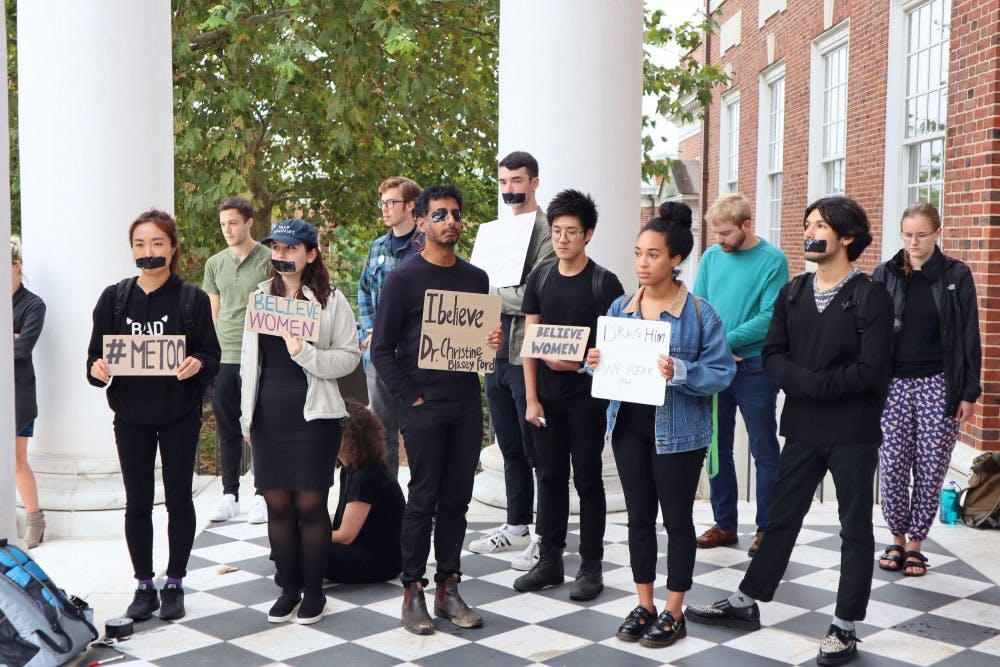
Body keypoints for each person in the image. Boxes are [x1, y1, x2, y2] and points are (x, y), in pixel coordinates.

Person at [685, 196, 893, 667]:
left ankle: (845, 623)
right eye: (807, 224)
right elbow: (773, 352)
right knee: (781, 518)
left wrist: (815, 386)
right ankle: (747, 601)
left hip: (853, 432)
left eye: (819, 225)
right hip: (802, 426)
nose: (809, 232)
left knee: (855, 527)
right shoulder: (794, 291)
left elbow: (873, 369)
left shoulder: (870, 295)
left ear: (847, 237)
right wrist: (806, 385)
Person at [586, 203, 735, 649]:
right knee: (638, 520)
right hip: (629, 426)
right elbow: (609, 370)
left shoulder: (700, 314)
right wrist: (594, 363)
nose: (643, 263)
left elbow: (723, 373)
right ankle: (644, 603)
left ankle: (674, 610)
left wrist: (682, 371)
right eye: (637, 254)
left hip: (680, 433)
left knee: (677, 521)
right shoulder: (619, 307)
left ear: (675, 259)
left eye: (653, 254)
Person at [371, 184, 503, 635]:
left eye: (455, 214)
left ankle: (449, 587)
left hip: (466, 402)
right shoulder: (402, 279)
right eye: (440, 214)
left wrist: (492, 342)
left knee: (457, 502)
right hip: (423, 406)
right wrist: (412, 398)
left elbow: (482, 339)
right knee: (422, 499)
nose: (450, 221)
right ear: (423, 223)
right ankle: (413, 592)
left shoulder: (476, 279)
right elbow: (382, 349)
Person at [87, 210, 221, 622]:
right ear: (132, 250)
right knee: (137, 503)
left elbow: (211, 355)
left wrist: (197, 363)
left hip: (179, 415)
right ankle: (144, 584)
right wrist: (97, 369)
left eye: (157, 243)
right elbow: (94, 356)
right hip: (130, 416)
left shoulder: (191, 299)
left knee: (180, 499)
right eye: (141, 244)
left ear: (173, 247)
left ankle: (176, 581)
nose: (149, 251)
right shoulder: (115, 298)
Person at [240, 219, 360, 625]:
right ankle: (288, 589)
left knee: (310, 505)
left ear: (311, 254)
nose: (282, 256)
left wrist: (306, 353)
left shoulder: (331, 300)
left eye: (291, 249)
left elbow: (349, 357)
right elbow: (246, 363)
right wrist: (245, 417)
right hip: (268, 415)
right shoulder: (260, 296)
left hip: (315, 416)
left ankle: (314, 591)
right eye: (277, 249)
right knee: (277, 504)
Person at [513, 189, 624, 600]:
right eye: (557, 231)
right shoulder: (540, 278)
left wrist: (580, 363)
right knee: (550, 476)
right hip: (546, 396)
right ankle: (550, 559)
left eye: (571, 232)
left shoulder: (604, 283)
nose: (562, 239)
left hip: (587, 399)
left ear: (588, 234)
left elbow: (618, 348)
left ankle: (591, 565)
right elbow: (529, 340)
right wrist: (531, 398)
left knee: (589, 479)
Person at [873, 202, 981, 576]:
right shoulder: (885, 274)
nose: (914, 242)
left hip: (939, 383)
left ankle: (916, 543)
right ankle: (896, 538)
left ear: (937, 233)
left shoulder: (956, 275)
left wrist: (969, 392)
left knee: (931, 466)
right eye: (907, 235)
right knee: (892, 467)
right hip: (893, 386)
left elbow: (969, 336)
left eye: (921, 235)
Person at [469, 151, 556, 571]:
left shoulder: (546, 230)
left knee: (536, 447)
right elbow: (479, 286)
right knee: (508, 446)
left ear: (534, 182)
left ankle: (546, 537)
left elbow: (536, 294)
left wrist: (487, 292)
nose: (510, 189)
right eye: (503, 182)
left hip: (528, 353)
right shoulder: (495, 232)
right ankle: (517, 525)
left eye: (517, 181)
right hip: (494, 350)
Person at [693, 193, 788, 556]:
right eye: (715, 233)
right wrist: (715, 350)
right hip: (716, 369)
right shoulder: (711, 257)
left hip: (754, 369)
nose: (719, 241)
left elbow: (769, 317)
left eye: (726, 233)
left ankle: (766, 529)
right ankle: (724, 524)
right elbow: (698, 306)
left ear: (747, 225)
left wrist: (725, 341)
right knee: (717, 448)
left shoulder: (772, 260)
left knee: (764, 449)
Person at [203, 196, 272, 525]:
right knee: (227, 427)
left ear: (248, 222)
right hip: (225, 353)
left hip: (259, 353)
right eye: (223, 224)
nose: (227, 229)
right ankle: (230, 494)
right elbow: (212, 314)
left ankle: (262, 494)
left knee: (260, 424)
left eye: (233, 222)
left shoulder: (270, 260)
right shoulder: (214, 264)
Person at [357, 176, 424, 482]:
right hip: (378, 357)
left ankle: (423, 505)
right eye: (382, 202)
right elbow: (364, 292)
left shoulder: (427, 247)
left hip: (414, 358)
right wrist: (373, 331)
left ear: (410, 205)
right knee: (383, 433)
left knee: (419, 432)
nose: (384, 208)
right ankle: (389, 500)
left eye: (391, 202)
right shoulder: (377, 247)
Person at [325, 399, 405, 584]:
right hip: (365, 548)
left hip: (382, 561)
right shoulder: (350, 469)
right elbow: (342, 517)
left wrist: (309, 536)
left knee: (311, 548)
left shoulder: (367, 475)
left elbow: (346, 535)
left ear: (351, 435)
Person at [12, 236, 47, 548]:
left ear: (16, 266)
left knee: (15, 459)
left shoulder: (34, 304)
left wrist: (14, 339)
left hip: (17, 393)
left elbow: (22, 349)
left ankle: (35, 519)